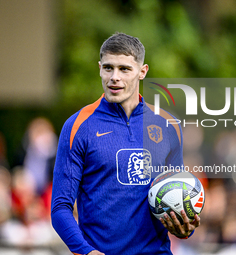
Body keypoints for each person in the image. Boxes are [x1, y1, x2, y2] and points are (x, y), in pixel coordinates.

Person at [51, 32, 200, 255]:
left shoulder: (168, 124)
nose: (114, 77)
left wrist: (185, 228)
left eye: (124, 69)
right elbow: (60, 208)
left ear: (142, 71)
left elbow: (177, 195)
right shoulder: (77, 127)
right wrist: (86, 252)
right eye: (108, 68)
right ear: (99, 68)